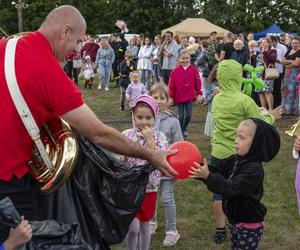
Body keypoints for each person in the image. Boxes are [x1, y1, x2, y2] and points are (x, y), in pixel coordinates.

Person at [0, 5, 178, 242]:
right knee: (27, 241)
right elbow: (99, 134)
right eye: (76, 41)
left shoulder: (6, 46)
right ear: (64, 31)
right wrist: (149, 154)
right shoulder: (48, 70)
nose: (76, 50)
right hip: (8, 181)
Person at [208, 59, 282, 244]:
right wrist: (271, 117)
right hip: (236, 154)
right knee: (237, 191)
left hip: (218, 151)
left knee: (218, 192)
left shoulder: (217, 98)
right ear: (237, 76)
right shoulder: (244, 100)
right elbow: (258, 124)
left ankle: (220, 229)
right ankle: (239, 224)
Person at [189, 118, 280, 250]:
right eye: (237, 136)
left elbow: (231, 188)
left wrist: (208, 176)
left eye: (241, 138)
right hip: (235, 219)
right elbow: (217, 170)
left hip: (249, 224)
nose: (236, 140)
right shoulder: (236, 159)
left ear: (256, 144)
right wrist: (198, 168)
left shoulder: (254, 170)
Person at [116, 95, 168, 250]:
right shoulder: (126, 134)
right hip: (129, 188)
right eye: (139, 117)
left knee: (145, 225)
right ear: (133, 116)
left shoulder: (160, 137)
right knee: (133, 228)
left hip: (149, 187)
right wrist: (123, 156)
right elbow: (117, 161)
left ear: (155, 117)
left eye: (148, 118)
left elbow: (160, 160)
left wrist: (150, 141)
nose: (144, 121)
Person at [149, 84, 183, 246]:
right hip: (150, 168)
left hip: (167, 167)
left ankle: (172, 230)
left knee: (167, 198)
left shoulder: (173, 122)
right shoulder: (145, 118)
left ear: (168, 100)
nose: (159, 101)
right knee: (151, 196)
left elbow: (180, 145)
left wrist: (179, 170)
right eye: (155, 97)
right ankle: (151, 222)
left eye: (162, 98)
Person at [169, 49, 204, 138]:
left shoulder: (193, 70)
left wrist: (199, 93)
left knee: (188, 115)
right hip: (179, 96)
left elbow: (198, 82)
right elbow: (171, 85)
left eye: (187, 58)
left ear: (190, 59)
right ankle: (181, 131)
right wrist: (171, 96)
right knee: (181, 116)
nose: (185, 60)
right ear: (179, 59)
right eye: (183, 58)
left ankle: (183, 128)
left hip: (189, 96)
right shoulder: (175, 71)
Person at [255, 37, 277, 111]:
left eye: (264, 42)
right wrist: (252, 56)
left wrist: (264, 52)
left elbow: (272, 59)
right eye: (261, 42)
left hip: (267, 74)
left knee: (267, 91)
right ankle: (264, 109)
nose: (262, 44)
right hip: (258, 74)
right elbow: (257, 62)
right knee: (260, 92)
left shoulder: (272, 50)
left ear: (268, 43)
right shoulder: (259, 52)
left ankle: (271, 109)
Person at [280, 36, 300, 116]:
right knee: (286, 91)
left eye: (296, 43)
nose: (294, 44)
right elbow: (282, 61)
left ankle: (294, 110)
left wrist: (287, 63)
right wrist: (291, 61)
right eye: (293, 43)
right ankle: (286, 110)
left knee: (293, 92)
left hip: (295, 74)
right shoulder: (289, 50)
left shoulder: (299, 52)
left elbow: (297, 64)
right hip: (287, 74)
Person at [270, 36, 287, 108]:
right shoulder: (271, 47)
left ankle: (278, 104)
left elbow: (285, 58)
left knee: (277, 88)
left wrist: (277, 60)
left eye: (271, 41)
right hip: (270, 70)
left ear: (275, 41)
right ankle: (273, 104)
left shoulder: (283, 47)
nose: (270, 43)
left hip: (279, 70)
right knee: (271, 88)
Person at [204, 65, 218, 138]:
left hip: (221, 111)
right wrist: (213, 94)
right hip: (212, 110)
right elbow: (207, 99)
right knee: (213, 131)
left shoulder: (226, 85)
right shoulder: (211, 85)